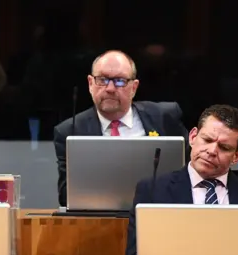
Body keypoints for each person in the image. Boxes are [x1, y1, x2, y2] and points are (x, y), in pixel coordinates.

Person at [124, 104, 238, 255]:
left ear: (237, 156)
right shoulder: (153, 189)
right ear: (193, 136)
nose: (212, 151)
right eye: (207, 140)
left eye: (224, 147)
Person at [53, 50, 189, 206]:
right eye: (102, 80)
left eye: (119, 81)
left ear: (134, 87)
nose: (110, 88)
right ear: (90, 84)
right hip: (97, 221)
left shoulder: (164, 117)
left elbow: (190, 173)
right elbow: (66, 197)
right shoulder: (70, 131)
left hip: (157, 215)